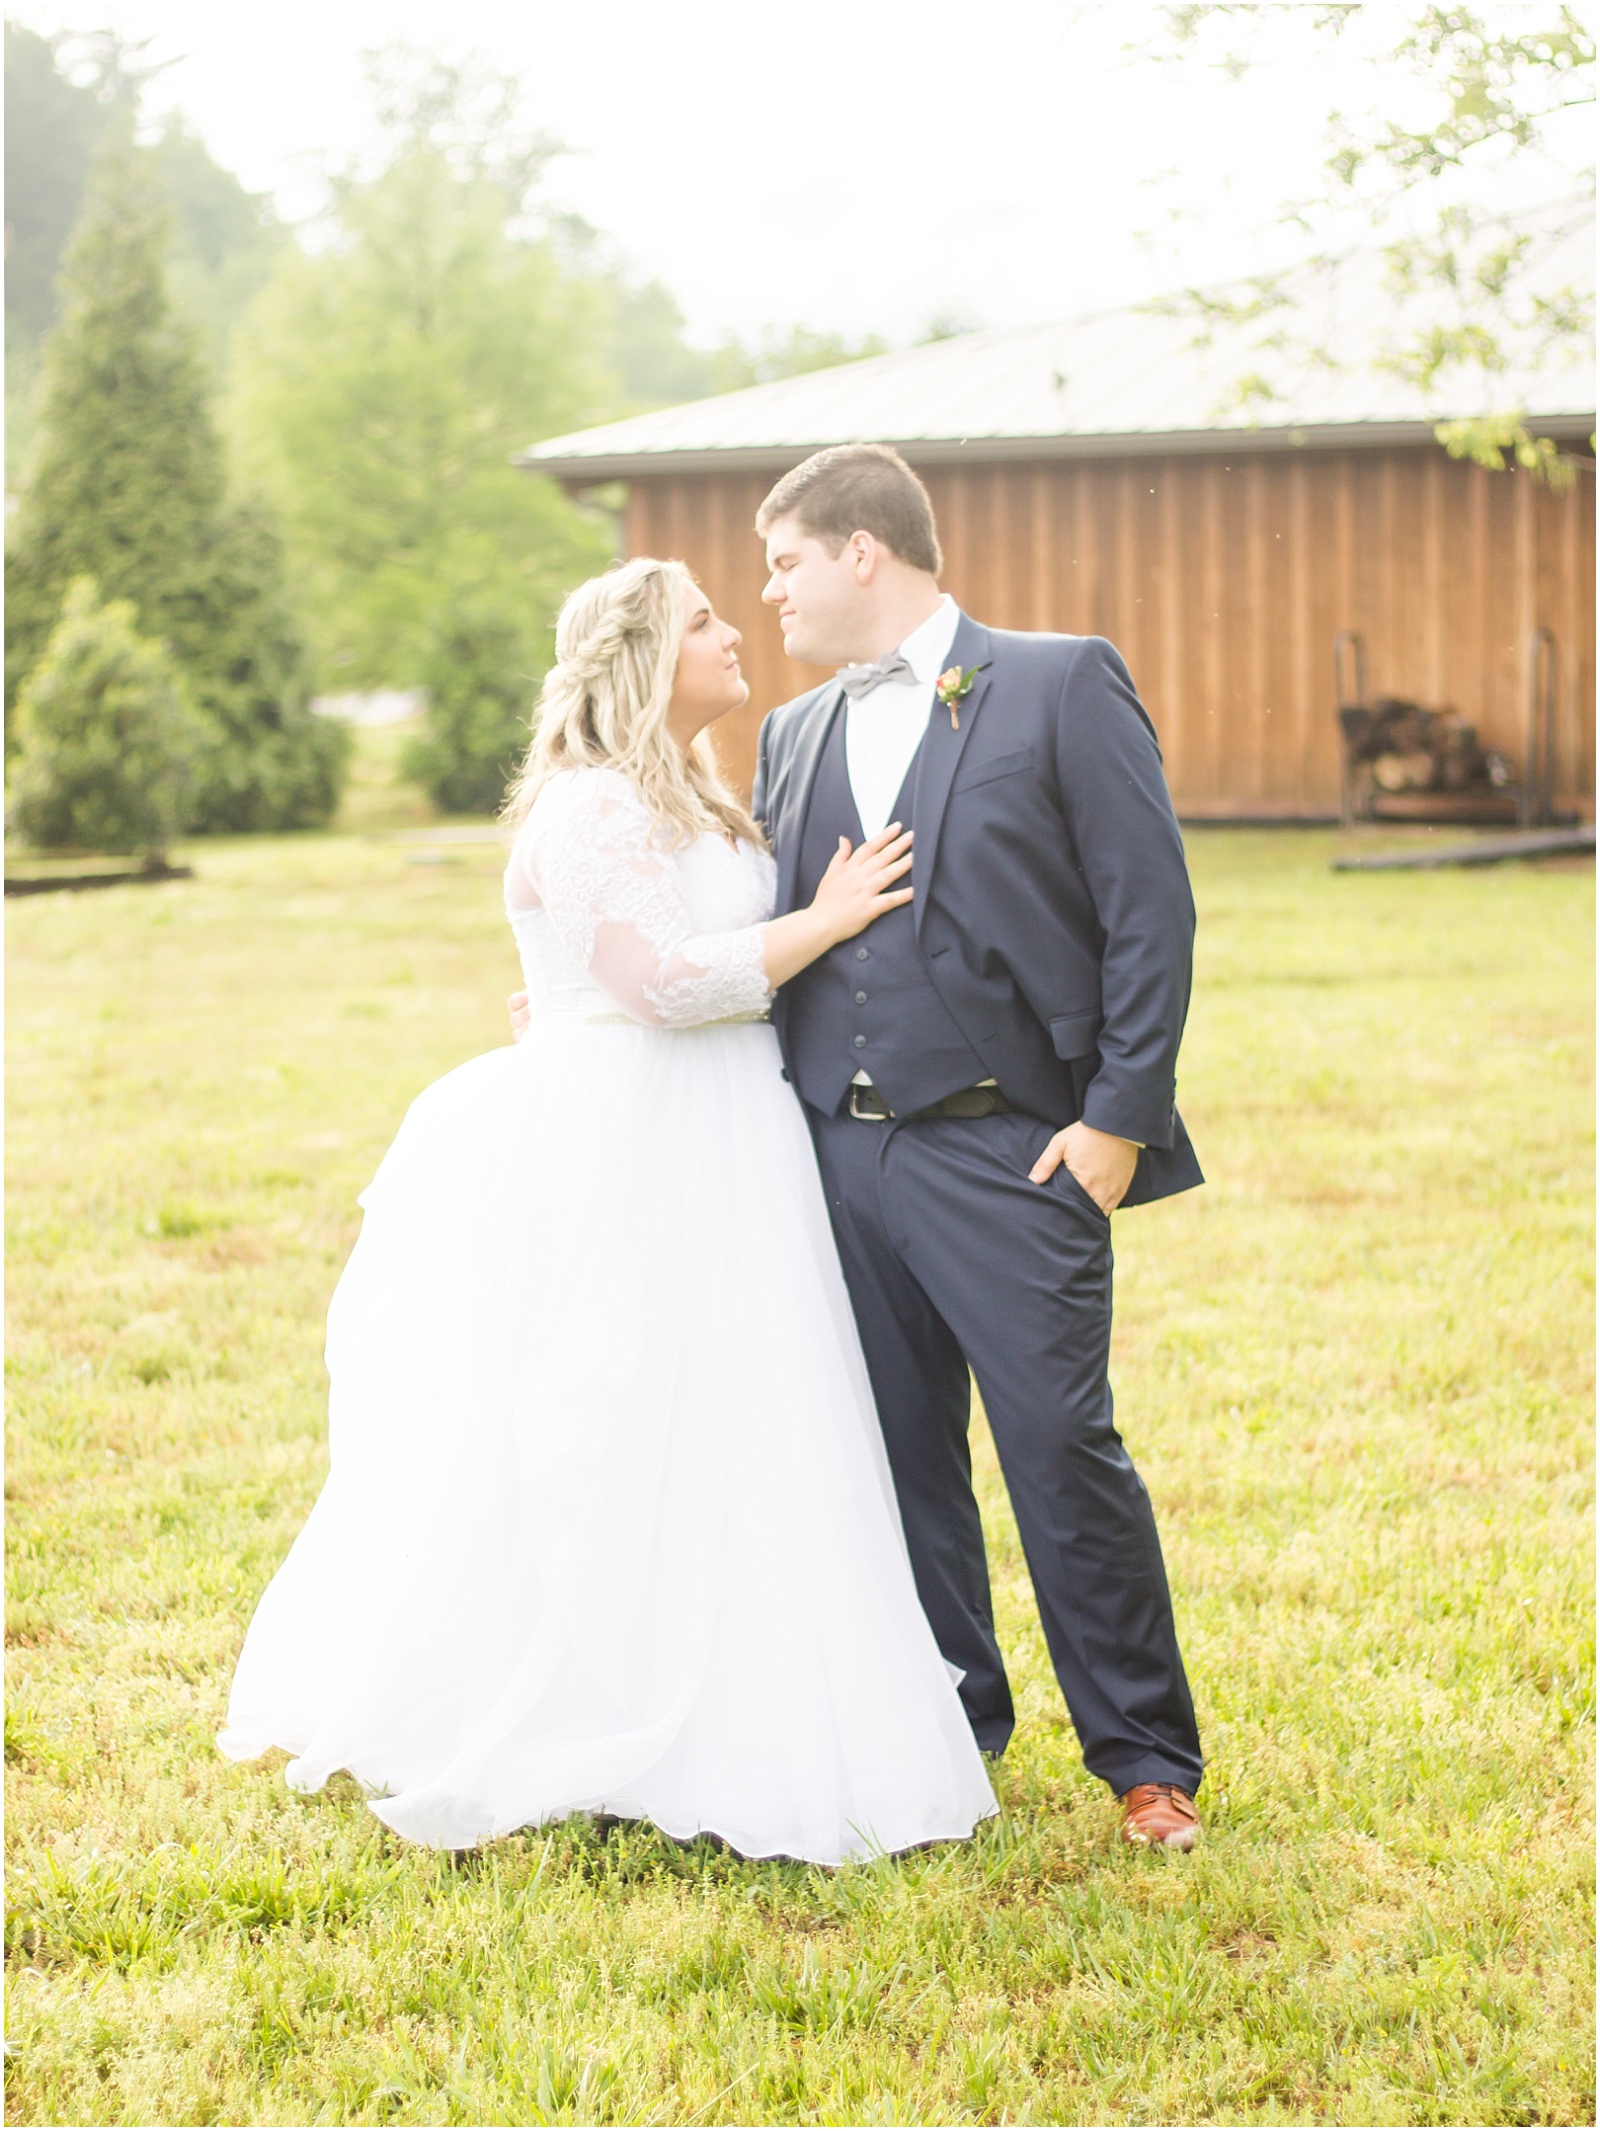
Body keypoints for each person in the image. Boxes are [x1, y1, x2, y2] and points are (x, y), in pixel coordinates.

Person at [218, 557, 997, 1865]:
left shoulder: (698, 796)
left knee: (741, 1411)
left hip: (727, 1135)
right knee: (612, 1410)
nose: (734, 629)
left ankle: (746, 1693)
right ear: (640, 657)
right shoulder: (588, 809)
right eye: (703, 619)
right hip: (634, 1141)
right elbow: (664, 989)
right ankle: (595, 1705)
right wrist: (832, 915)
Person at [750, 445, 1207, 1853]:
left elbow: (1150, 911)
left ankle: (1143, 1758)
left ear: (864, 552)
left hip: (1014, 1150)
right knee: (895, 1458)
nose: (767, 593)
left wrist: (1117, 1121)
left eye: (784, 563)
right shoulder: (788, 735)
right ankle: (950, 1733)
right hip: (839, 1158)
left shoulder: (1061, 683)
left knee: (1063, 1447)